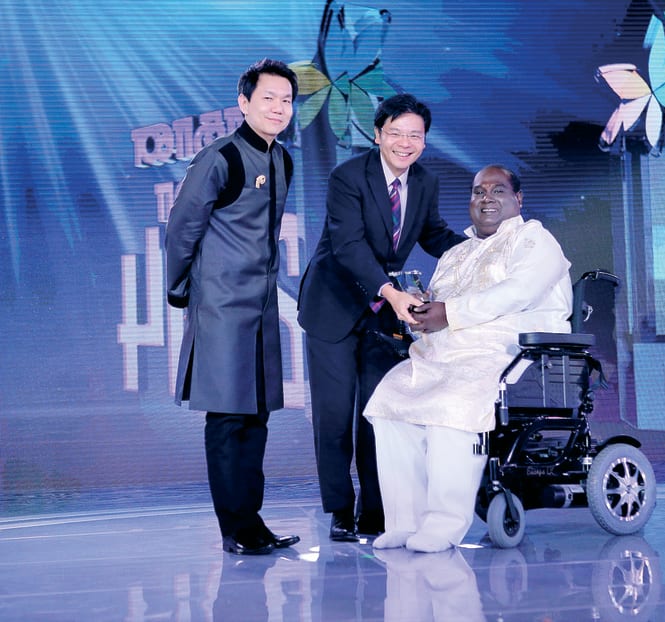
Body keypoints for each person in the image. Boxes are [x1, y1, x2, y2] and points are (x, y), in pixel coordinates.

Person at [363, 165, 573, 553]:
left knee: (451, 401)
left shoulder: (534, 240)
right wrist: (423, 313)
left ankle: (443, 524)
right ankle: (404, 522)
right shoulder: (457, 252)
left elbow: (517, 293)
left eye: (497, 191)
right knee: (390, 401)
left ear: (518, 199)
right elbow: (440, 304)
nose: (486, 199)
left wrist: (450, 313)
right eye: (479, 192)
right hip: (442, 352)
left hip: (510, 352)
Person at [297, 93, 466, 542]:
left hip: (381, 318)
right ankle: (339, 511)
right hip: (333, 306)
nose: (405, 143)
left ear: (425, 141)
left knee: (380, 415)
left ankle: (377, 511)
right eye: (395, 133)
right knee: (333, 417)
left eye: (415, 135)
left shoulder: (425, 182)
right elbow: (348, 245)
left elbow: (433, 234)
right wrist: (391, 292)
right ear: (377, 135)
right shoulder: (348, 177)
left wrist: (480, 249)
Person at [165, 58, 301, 555]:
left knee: (257, 417)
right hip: (220, 305)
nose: (278, 108)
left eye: (286, 100)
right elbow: (181, 228)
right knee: (226, 418)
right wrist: (182, 286)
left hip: (262, 306)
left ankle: (253, 521)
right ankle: (235, 529)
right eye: (268, 98)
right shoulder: (219, 157)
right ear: (243, 103)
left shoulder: (283, 159)